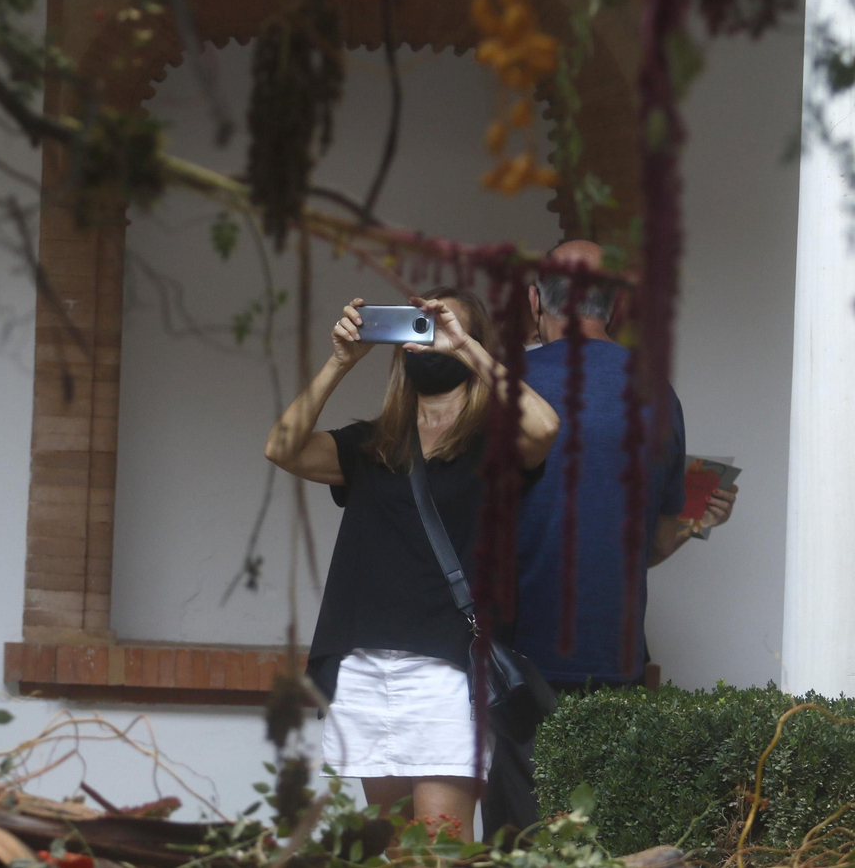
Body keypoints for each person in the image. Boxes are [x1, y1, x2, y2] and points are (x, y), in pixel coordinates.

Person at [265, 289, 560, 839]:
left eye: (442, 326)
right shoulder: (374, 444)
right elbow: (281, 447)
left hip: (447, 671)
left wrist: (467, 346)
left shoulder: (494, 446)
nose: (428, 337)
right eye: (417, 326)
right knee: (398, 848)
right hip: (364, 665)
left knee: (442, 848)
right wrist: (341, 361)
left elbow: (543, 427)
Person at [482, 239, 739, 837]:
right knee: (601, 832)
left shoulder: (505, 387)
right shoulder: (657, 395)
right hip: (616, 656)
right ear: (616, 307)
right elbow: (647, 547)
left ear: (533, 301)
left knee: (520, 833)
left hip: (517, 660)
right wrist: (697, 520)